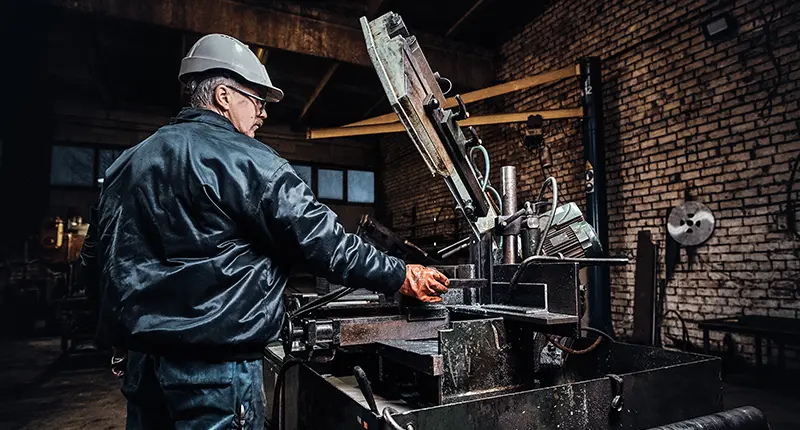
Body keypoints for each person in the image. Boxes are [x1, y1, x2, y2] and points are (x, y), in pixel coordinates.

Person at [80, 33, 449, 430]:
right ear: (223, 95)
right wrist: (400, 274)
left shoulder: (124, 166)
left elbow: (96, 261)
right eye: (256, 99)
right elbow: (325, 243)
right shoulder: (250, 162)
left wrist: (118, 338)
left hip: (143, 367)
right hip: (215, 374)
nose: (263, 113)